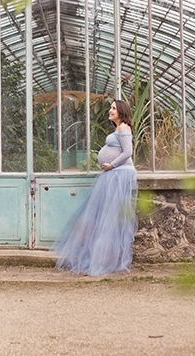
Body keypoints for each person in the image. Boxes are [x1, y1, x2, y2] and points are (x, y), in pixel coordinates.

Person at [51, 99, 138, 276]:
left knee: (110, 218)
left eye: (114, 108)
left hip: (120, 174)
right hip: (114, 174)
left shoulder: (124, 128)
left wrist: (112, 165)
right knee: (104, 217)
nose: (110, 110)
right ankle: (102, 258)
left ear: (121, 111)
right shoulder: (118, 128)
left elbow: (128, 152)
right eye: (111, 108)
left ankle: (107, 260)